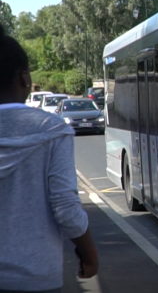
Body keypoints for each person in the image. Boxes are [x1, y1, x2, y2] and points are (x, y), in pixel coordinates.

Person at [0, 23, 98, 292]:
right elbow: (65, 206)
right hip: (35, 277)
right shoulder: (52, 130)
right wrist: (89, 254)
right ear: (23, 78)